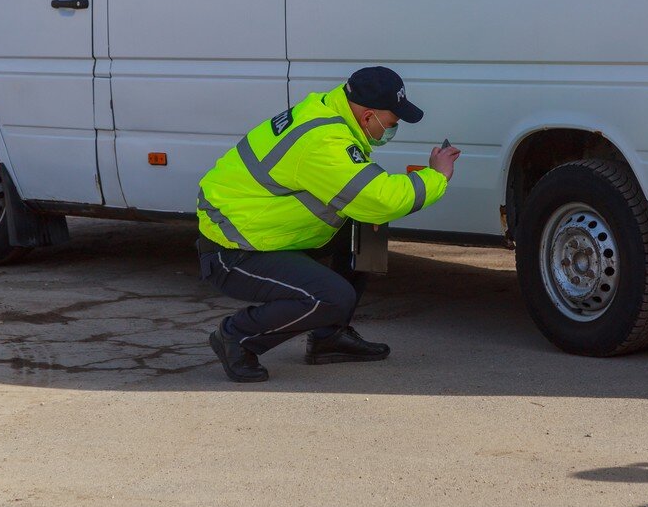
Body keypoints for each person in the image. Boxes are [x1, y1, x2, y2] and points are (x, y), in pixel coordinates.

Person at [197, 67, 460, 382]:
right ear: (367, 117)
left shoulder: (329, 113)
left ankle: (328, 337)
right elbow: (381, 198)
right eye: (392, 122)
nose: (393, 128)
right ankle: (237, 336)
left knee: (367, 228)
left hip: (266, 230)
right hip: (233, 249)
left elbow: (368, 203)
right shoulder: (323, 140)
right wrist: (437, 175)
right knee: (334, 295)